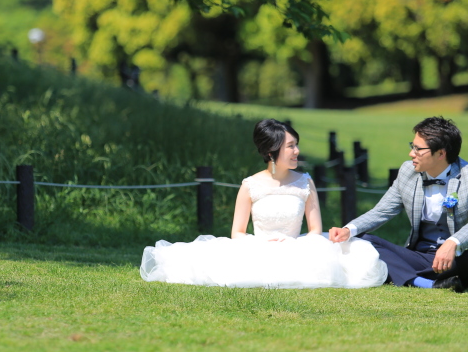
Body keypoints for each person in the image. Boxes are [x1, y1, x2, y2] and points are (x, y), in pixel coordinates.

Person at [140, 119, 388, 288]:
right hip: (257, 248)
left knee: (356, 253)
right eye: (291, 146)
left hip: (297, 247)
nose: (297, 151)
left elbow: (314, 230)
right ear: (271, 152)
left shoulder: (305, 182)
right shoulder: (250, 185)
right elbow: (237, 232)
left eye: (296, 145)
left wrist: (292, 242)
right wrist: (259, 243)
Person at [329, 116, 468, 292]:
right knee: (364, 241)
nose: (411, 154)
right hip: (421, 257)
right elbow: (381, 211)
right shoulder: (407, 171)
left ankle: (404, 274)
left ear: (441, 153)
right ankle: (425, 283)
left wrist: (453, 243)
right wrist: (348, 229)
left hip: (458, 257)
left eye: (418, 149)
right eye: (412, 147)